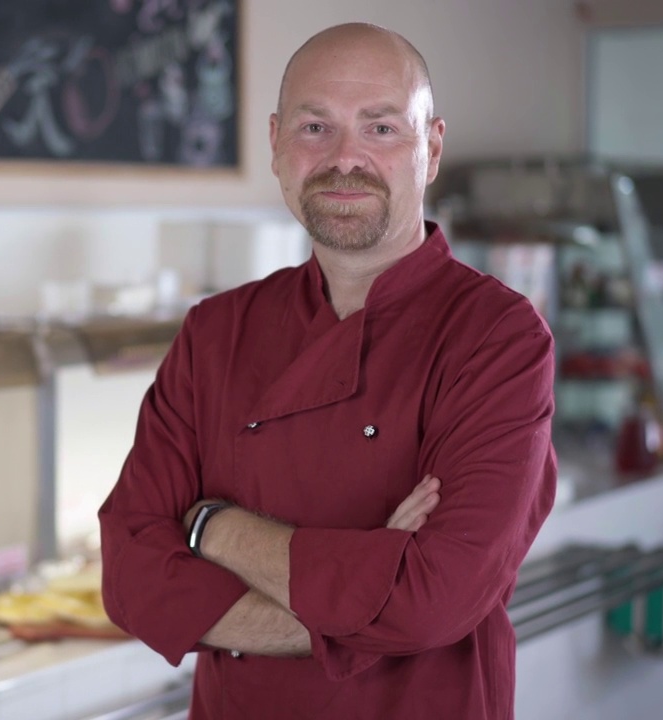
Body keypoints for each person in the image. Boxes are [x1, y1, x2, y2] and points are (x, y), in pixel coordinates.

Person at [98, 22, 557, 720]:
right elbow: (131, 578)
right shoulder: (216, 332)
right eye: (316, 127)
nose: (346, 158)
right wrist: (367, 591)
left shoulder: (497, 338)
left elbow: (433, 600)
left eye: (381, 129)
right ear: (278, 145)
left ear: (431, 148)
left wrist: (212, 529)